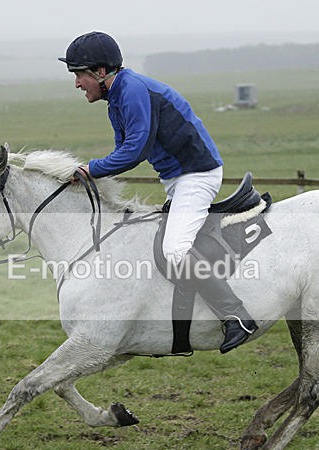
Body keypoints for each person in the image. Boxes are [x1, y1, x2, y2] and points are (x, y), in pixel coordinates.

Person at [59, 31, 257, 354]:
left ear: (99, 72)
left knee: (176, 252)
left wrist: (90, 170)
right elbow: (124, 149)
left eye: (80, 74)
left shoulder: (133, 91)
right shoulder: (117, 99)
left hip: (197, 176)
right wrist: (91, 171)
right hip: (178, 180)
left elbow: (135, 150)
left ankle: (236, 316)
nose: (77, 83)